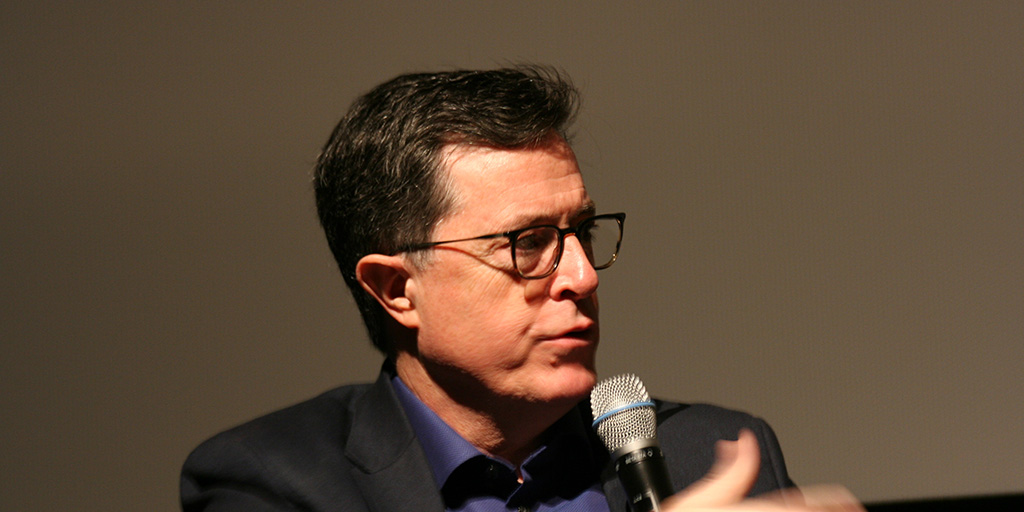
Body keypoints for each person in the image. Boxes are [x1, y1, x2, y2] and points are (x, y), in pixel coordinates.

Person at [180, 66, 861, 512]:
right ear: (396, 288)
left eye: (583, 233)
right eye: (527, 243)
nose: (583, 277)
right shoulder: (275, 483)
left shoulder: (709, 453)